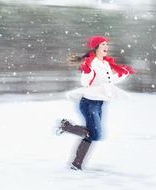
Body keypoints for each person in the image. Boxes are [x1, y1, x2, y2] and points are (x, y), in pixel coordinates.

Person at [56, 35, 135, 171]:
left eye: (106, 44)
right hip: (89, 103)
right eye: (103, 44)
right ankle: (67, 127)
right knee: (96, 134)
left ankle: (76, 164)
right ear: (97, 47)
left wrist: (124, 73)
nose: (106, 47)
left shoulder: (105, 64)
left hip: (99, 103)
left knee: (90, 134)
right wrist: (87, 72)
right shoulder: (91, 63)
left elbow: (108, 82)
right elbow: (85, 82)